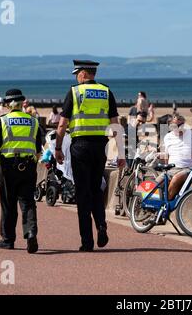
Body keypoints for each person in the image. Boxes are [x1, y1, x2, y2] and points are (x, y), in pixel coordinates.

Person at [55, 60, 126, 252]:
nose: (76, 77)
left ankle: (87, 241)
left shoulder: (75, 92)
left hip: (80, 147)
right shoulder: (106, 92)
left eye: (77, 73)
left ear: (83, 74)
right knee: (96, 189)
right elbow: (115, 123)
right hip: (100, 147)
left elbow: (62, 125)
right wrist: (120, 152)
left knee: (82, 192)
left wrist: (58, 148)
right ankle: (101, 225)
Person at [0, 89, 42, 254]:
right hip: (28, 166)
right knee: (28, 202)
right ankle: (31, 232)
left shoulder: (2, 121)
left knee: (8, 204)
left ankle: (8, 240)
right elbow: (38, 149)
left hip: (8, 168)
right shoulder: (34, 122)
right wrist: (33, 163)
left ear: (8, 104)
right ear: (23, 103)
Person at [157, 113, 192, 200]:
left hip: (188, 169)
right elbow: (166, 156)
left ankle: (165, 205)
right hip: (172, 169)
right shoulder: (167, 137)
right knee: (154, 184)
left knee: (176, 179)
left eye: (179, 125)